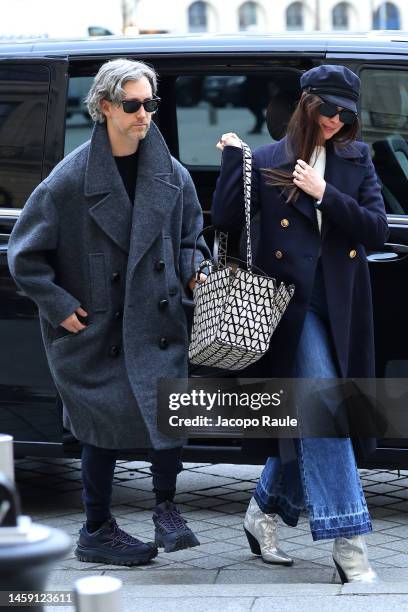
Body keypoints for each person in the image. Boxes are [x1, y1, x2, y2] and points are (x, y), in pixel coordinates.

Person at [8, 58, 209, 566]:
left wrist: (193, 269)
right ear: (104, 107)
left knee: (168, 415)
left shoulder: (173, 174)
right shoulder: (70, 180)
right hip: (98, 327)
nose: (144, 115)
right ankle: (96, 528)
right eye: (133, 105)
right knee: (101, 428)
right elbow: (24, 254)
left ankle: (166, 508)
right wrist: (60, 307)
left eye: (151, 104)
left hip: (159, 321)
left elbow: (191, 238)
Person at [212, 65, 389, 583]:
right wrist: (231, 162)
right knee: (326, 410)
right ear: (307, 103)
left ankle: (263, 509)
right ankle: (349, 543)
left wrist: (323, 192)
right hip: (292, 310)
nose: (335, 120)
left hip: (343, 309)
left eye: (346, 113)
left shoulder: (359, 159)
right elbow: (226, 224)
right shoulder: (266, 160)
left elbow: (376, 230)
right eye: (327, 108)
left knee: (307, 416)